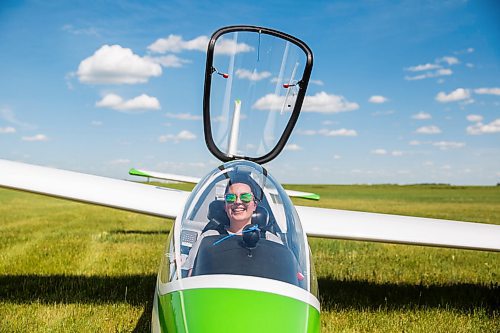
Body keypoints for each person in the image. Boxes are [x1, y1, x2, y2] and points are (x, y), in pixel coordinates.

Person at [183, 180, 281, 276]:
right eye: (231, 197)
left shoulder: (271, 241)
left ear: (254, 205)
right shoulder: (208, 238)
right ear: (225, 206)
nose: (237, 202)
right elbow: (190, 276)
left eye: (245, 197)